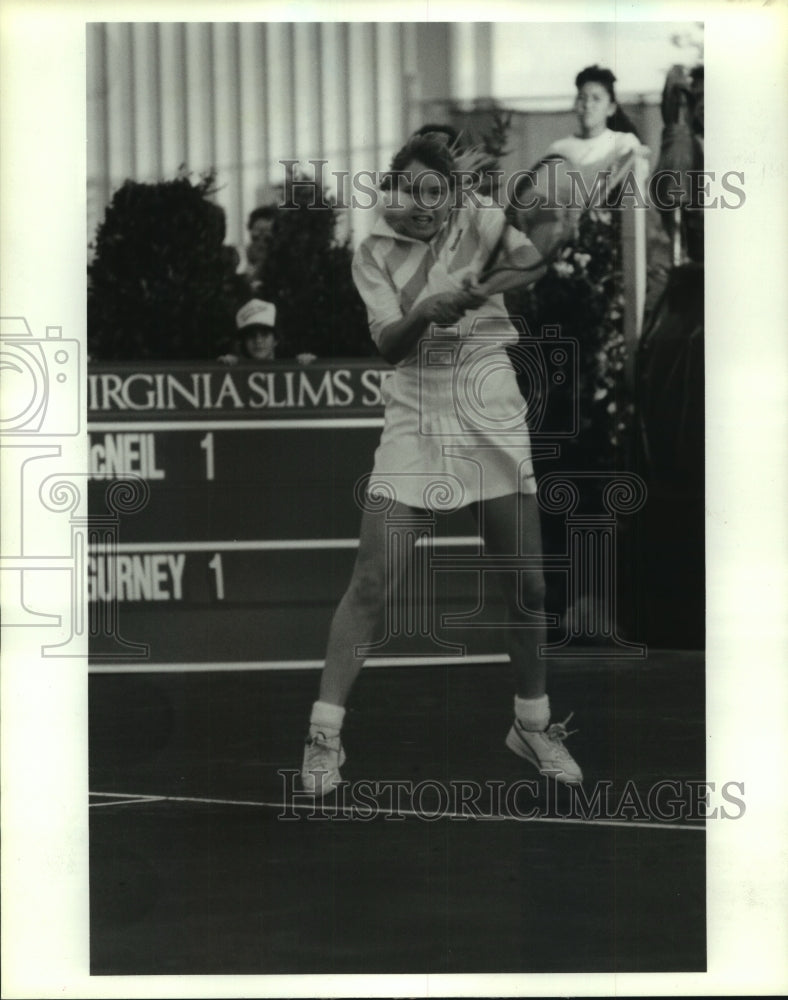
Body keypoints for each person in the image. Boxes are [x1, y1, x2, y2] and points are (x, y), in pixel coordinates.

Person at [300, 133, 583, 796]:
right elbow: (389, 345)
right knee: (372, 581)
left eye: (437, 191)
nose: (425, 205)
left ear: (451, 193)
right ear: (392, 190)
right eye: (412, 191)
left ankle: (532, 725)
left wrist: (481, 285)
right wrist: (428, 308)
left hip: (490, 401)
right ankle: (323, 737)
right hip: (416, 410)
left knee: (529, 587)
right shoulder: (372, 253)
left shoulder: (479, 216)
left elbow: (530, 263)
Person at [545, 65, 649, 199]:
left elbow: (634, 195)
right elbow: (545, 200)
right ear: (575, 104)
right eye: (582, 98)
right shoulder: (557, 149)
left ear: (611, 108)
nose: (588, 105)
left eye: (596, 99)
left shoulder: (624, 143)